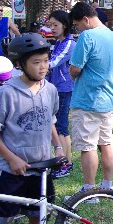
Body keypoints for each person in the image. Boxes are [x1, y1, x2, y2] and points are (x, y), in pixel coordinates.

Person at [0, 33, 63, 224]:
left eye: (45, 61)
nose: (43, 67)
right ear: (20, 64)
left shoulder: (50, 90)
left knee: (39, 217)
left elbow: (49, 119)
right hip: (11, 171)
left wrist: (58, 146)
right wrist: (11, 158)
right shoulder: (7, 94)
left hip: (40, 169)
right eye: (36, 62)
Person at [69, 2, 113, 196]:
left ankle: (89, 190)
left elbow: (75, 68)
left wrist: (71, 72)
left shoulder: (87, 36)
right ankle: (108, 184)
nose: (78, 29)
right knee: (106, 142)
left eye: (78, 25)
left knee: (88, 145)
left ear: (85, 19)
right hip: (108, 99)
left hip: (87, 100)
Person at [47, 10, 76, 179]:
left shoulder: (68, 43)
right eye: (50, 24)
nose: (52, 28)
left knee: (61, 128)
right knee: (59, 127)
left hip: (64, 89)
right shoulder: (58, 42)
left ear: (64, 25)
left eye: (55, 25)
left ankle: (65, 164)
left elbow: (54, 62)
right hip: (56, 88)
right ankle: (63, 162)